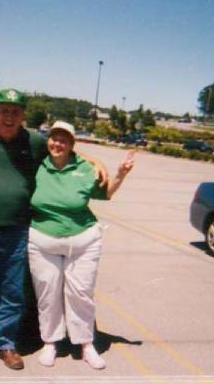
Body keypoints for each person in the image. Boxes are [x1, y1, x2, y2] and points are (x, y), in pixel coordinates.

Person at [0, 89, 108, 371]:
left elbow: (63, 147)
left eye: (15, 111)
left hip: (17, 231)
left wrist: (95, 161)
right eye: (4, 110)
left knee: (13, 292)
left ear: (22, 115)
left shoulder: (33, 140)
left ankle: (6, 345)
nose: (9, 116)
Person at [27, 121, 134, 370]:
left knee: (81, 294)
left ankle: (86, 344)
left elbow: (106, 193)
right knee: (48, 293)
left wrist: (121, 174)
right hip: (43, 240)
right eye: (54, 138)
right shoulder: (37, 164)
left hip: (83, 241)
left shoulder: (85, 168)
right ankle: (50, 342)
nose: (57, 143)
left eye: (64, 140)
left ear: (72, 144)